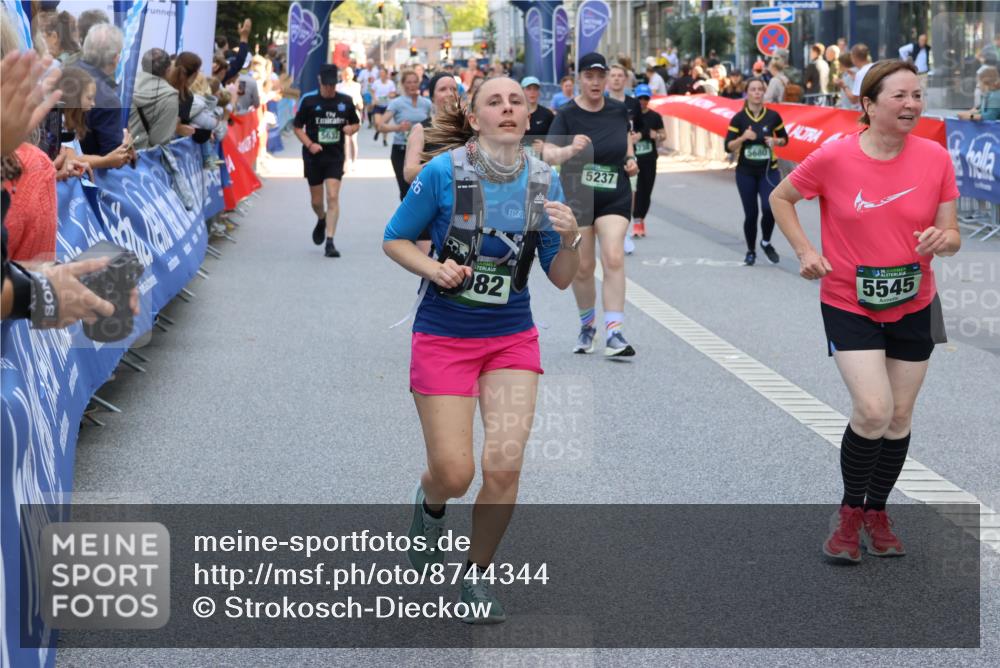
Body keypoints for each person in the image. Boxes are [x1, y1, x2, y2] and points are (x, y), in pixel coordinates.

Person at [382, 76, 580, 624]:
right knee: (455, 472)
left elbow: (562, 279)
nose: (509, 108)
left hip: (512, 338)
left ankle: (476, 575)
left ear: (528, 113)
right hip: (444, 336)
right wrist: (434, 266)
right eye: (495, 101)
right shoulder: (444, 173)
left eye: (517, 100)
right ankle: (431, 505)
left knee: (503, 465)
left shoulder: (543, 182)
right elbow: (394, 237)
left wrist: (574, 238)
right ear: (474, 118)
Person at [769, 60, 960, 563]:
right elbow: (782, 197)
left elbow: (953, 234)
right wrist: (806, 252)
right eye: (899, 96)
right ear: (868, 104)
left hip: (916, 300)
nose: (912, 105)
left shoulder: (936, 157)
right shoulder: (834, 158)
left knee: (898, 417)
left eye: (917, 95)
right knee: (873, 410)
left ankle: (878, 510)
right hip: (848, 300)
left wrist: (946, 239)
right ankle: (850, 511)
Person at [544, 52, 639, 358]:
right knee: (583, 267)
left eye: (600, 76)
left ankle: (615, 332)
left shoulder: (618, 109)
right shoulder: (567, 114)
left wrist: (630, 159)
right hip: (578, 198)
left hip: (615, 194)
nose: (596, 82)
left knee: (612, 256)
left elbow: (625, 141)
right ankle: (588, 326)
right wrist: (570, 148)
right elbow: (548, 154)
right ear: (579, 79)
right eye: (589, 76)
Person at [293, 64, 360, 258]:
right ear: (320, 82)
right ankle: (321, 219)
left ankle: (330, 241)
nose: (330, 89)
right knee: (316, 201)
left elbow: (355, 122)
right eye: (327, 85)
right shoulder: (309, 100)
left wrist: (352, 129)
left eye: (333, 85)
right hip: (314, 156)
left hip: (335, 156)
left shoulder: (345, 101)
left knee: (332, 196)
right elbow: (297, 127)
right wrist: (310, 144)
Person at [725, 78, 789, 266]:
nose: (757, 93)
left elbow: (785, 139)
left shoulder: (773, 117)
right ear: (747, 93)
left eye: (760, 89)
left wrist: (775, 142)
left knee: (770, 209)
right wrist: (743, 138)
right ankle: (751, 250)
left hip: (769, 171)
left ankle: (766, 242)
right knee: (751, 214)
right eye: (753, 89)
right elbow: (728, 147)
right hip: (745, 172)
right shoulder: (739, 119)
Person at [378, 69, 433, 201]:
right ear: (403, 84)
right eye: (409, 82)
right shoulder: (397, 103)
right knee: (406, 190)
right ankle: (408, 220)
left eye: (415, 82)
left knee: (421, 190)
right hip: (401, 149)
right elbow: (381, 125)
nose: (412, 85)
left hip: (422, 151)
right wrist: (398, 127)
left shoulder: (426, 103)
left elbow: (435, 122)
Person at [77, 22, 124, 157]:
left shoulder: (62, 71)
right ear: (116, 58)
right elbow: (113, 157)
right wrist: (126, 145)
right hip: (87, 174)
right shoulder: (108, 99)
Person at [403, 72, 458, 184]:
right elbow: (409, 174)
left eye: (454, 89)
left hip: (465, 197)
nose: (450, 93)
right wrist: (441, 163)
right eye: (443, 89)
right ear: (432, 97)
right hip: (436, 197)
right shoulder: (421, 129)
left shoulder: (468, 126)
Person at [129, 48, 185, 149]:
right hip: (143, 158)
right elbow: (159, 140)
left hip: (116, 153)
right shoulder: (170, 96)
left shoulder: (127, 84)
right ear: (168, 70)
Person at [631, 84, 664, 239]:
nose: (643, 101)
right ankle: (636, 221)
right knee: (636, 191)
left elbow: (664, 136)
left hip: (650, 158)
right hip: (633, 159)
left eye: (646, 98)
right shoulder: (630, 116)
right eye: (640, 98)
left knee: (647, 191)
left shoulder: (655, 117)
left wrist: (656, 136)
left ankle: (641, 219)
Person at [336, 66, 364, 171]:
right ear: (342, 75)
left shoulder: (357, 86)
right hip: (341, 114)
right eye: (345, 74)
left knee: (353, 139)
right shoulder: (338, 86)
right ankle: (345, 161)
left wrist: (360, 105)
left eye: (349, 74)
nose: (347, 76)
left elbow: (359, 99)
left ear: (352, 75)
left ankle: (354, 161)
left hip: (353, 114)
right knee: (344, 140)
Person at [520, 76, 554, 158]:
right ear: (522, 91)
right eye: (528, 89)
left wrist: (545, 146)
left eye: (535, 89)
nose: (532, 92)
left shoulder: (547, 114)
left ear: (539, 92)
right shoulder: (515, 113)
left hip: (540, 161)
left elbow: (556, 138)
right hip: (518, 160)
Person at [370, 67, 396, 144]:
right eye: (380, 73)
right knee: (377, 123)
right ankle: (378, 130)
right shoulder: (376, 82)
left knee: (385, 124)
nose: (381, 75)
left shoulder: (390, 83)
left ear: (386, 74)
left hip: (387, 106)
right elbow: (372, 91)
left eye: (383, 73)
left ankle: (384, 140)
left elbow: (393, 93)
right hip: (378, 105)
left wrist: (390, 95)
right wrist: (374, 99)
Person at [845, 44, 873, 108]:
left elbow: (854, 99)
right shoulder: (874, 67)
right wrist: (856, 77)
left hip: (866, 111)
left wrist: (844, 86)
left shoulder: (861, 73)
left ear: (853, 57)